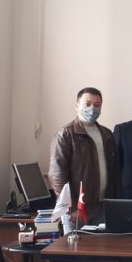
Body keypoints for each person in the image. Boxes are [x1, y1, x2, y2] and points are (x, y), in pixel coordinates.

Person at [49, 87, 120, 225]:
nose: (92, 108)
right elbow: (57, 175)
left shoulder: (106, 134)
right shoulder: (66, 135)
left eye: (97, 105)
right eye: (87, 104)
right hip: (78, 209)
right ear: (77, 106)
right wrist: (71, 207)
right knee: (75, 240)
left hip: (104, 206)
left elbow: (114, 171)